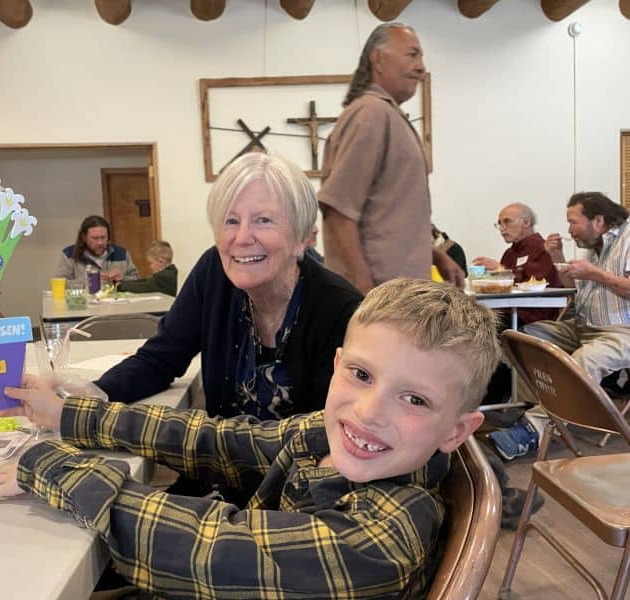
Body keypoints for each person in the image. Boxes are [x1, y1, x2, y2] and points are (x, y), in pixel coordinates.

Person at [0, 278, 499, 599]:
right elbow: (221, 440)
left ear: (456, 431)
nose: (369, 412)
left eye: (415, 400)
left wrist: (55, 467)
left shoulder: (378, 543)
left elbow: (211, 546)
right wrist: (70, 417)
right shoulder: (334, 436)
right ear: (338, 366)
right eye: (361, 375)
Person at [96, 152, 362, 423]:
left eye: (263, 220)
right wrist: (89, 395)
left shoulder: (341, 311)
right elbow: (160, 360)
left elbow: (322, 435)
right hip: (219, 458)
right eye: (231, 221)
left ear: (304, 238)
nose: (242, 237)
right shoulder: (214, 272)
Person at [318, 22, 464, 294]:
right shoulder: (371, 115)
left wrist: (433, 254)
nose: (421, 66)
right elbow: (339, 211)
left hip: (397, 297)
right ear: (379, 59)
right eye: (412, 54)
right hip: (381, 301)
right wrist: (366, 293)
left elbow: (385, 216)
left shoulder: (383, 114)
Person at [524, 191, 630, 383]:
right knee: (524, 339)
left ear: (598, 220)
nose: (570, 231)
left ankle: (545, 413)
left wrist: (594, 273)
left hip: (621, 332)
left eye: (573, 222)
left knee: (585, 361)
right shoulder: (595, 246)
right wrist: (556, 256)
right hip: (583, 328)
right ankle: (536, 401)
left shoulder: (628, 238)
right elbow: (573, 287)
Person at [473, 203, 562, 325]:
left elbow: (535, 285)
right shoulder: (509, 253)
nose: (502, 228)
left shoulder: (543, 248)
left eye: (507, 221)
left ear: (526, 223)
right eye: (499, 223)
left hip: (532, 316)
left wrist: (500, 269)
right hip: (508, 310)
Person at [54, 215, 139, 284]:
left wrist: (122, 279)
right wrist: (87, 282)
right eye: (95, 238)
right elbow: (60, 284)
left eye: (103, 237)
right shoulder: (69, 255)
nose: (100, 243)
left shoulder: (122, 253)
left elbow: (137, 279)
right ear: (84, 237)